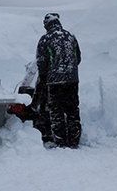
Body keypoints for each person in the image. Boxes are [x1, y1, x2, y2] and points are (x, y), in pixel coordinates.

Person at [35, 13, 82, 149]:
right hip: (73, 80)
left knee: (56, 111)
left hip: (54, 81)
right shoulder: (71, 37)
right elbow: (78, 58)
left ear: (46, 25)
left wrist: (44, 79)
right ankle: (74, 140)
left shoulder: (45, 39)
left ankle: (61, 141)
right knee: (73, 109)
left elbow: (41, 62)